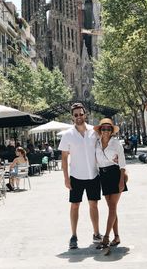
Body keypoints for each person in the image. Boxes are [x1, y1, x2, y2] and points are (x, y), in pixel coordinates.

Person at [58, 102, 102, 249]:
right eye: (76, 115)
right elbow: (64, 158)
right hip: (76, 176)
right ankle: (74, 236)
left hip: (93, 175)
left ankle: (96, 234)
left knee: (94, 205)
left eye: (81, 114)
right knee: (75, 206)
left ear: (85, 115)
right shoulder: (67, 135)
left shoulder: (94, 132)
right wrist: (66, 177)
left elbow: (103, 148)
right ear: (72, 117)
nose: (79, 117)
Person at [94, 118, 128, 249]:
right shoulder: (96, 143)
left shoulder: (116, 144)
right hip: (103, 175)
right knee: (111, 209)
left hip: (115, 175)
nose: (106, 131)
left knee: (112, 208)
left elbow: (122, 163)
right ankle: (117, 236)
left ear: (112, 131)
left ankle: (106, 237)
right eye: (104, 128)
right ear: (100, 130)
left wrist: (121, 181)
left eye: (109, 129)